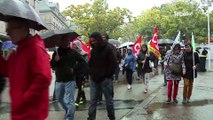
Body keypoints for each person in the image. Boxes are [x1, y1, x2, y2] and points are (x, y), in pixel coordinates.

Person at [0, 18, 52, 120]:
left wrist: (24, 99)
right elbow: (7, 70)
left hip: (31, 113)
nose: (7, 32)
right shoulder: (18, 51)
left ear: (23, 28)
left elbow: (43, 78)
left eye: (10, 28)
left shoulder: (35, 49)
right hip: (20, 111)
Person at [51, 35, 85, 120]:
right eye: (64, 41)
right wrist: (55, 60)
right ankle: (67, 110)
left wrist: (74, 69)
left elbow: (82, 62)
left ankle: (70, 117)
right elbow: (52, 65)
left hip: (70, 80)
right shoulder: (57, 52)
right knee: (59, 98)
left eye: (68, 41)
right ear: (61, 41)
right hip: (59, 80)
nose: (66, 42)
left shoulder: (73, 52)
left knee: (70, 100)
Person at [88, 32, 117, 120]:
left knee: (108, 100)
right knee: (93, 100)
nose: (93, 43)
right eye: (91, 41)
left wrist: (107, 75)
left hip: (105, 79)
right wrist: (90, 72)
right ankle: (91, 118)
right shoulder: (93, 50)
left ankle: (112, 117)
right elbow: (91, 63)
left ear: (98, 39)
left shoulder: (108, 48)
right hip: (94, 79)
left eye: (94, 41)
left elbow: (113, 63)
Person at [72, 40, 88, 107]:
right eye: (73, 44)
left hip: (82, 73)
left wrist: (86, 74)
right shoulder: (73, 53)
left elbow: (86, 64)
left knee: (81, 86)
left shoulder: (84, 54)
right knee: (79, 86)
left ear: (78, 45)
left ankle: (77, 100)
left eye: (75, 44)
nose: (74, 46)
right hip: (76, 72)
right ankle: (84, 98)